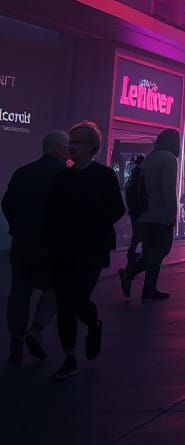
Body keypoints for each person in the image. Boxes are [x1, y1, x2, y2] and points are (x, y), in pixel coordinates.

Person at [43, 122, 125, 381]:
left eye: (76, 143)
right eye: (71, 142)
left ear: (92, 147)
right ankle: (69, 357)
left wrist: (95, 225)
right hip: (63, 248)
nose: (71, 147)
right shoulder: (62, 178)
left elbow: (117, 209)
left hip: (91, 248)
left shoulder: (104, 176)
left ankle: (92, 324)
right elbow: (52, 212)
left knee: (76, 297)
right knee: (65, 302)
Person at [3, 130, 68, 365]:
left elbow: (7, 204)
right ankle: (37, 328)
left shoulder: (22, 172)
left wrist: (17, 227)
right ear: (59, 149)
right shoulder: (65, 176)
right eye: (67, 148)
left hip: (22, 243)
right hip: (51, 246)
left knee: (19, 292)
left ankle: (16, 339)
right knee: (57, 288)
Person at [119, 128, 180, 302]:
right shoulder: (169, 158)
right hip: (160, 213)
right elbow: (168, 188)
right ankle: (132, 275)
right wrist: (172, 212)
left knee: (149, 252)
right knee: (161, 250)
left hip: (145, 213)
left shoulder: (150, 157)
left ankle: (149, 288)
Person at [123, 154, 146, 263]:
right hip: (138, 208)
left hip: (134, 208)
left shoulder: (133, 175)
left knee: (137, 231)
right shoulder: (140, 175)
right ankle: (134, 253)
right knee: (139, 231)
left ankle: (133, 252)